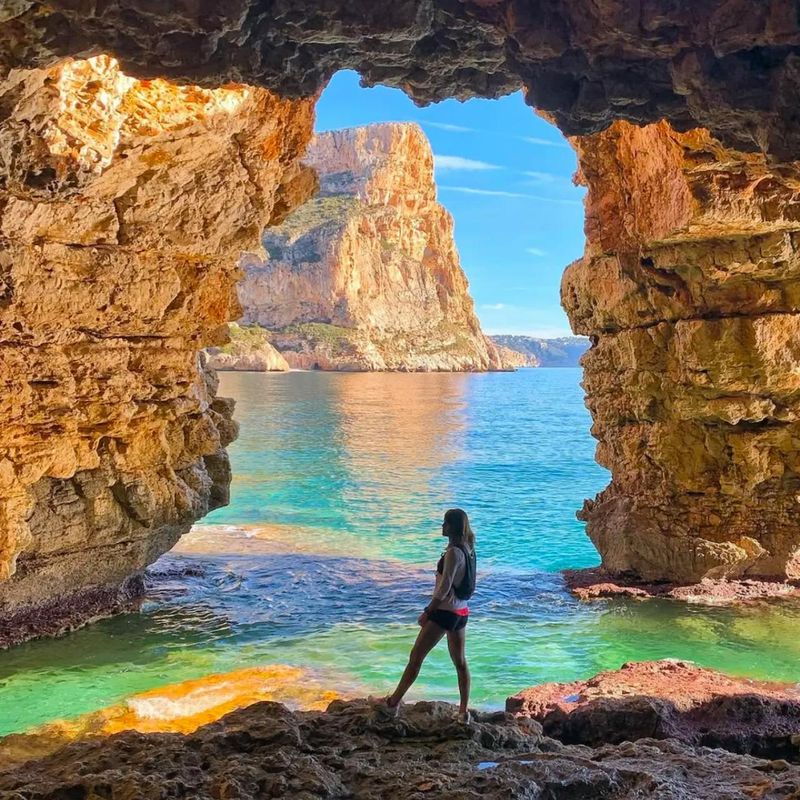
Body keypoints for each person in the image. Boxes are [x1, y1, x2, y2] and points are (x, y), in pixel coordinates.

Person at [382, 508, 477, 723]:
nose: (442, 526)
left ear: (452, 526)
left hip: (444, 611)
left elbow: (444, 588)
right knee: (460, 662)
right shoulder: (469, 548)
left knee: (415, 658)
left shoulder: (453, 552)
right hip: (461, 611)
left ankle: (392, 705)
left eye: (445, 523)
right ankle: (464, 712)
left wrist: (428, 611)